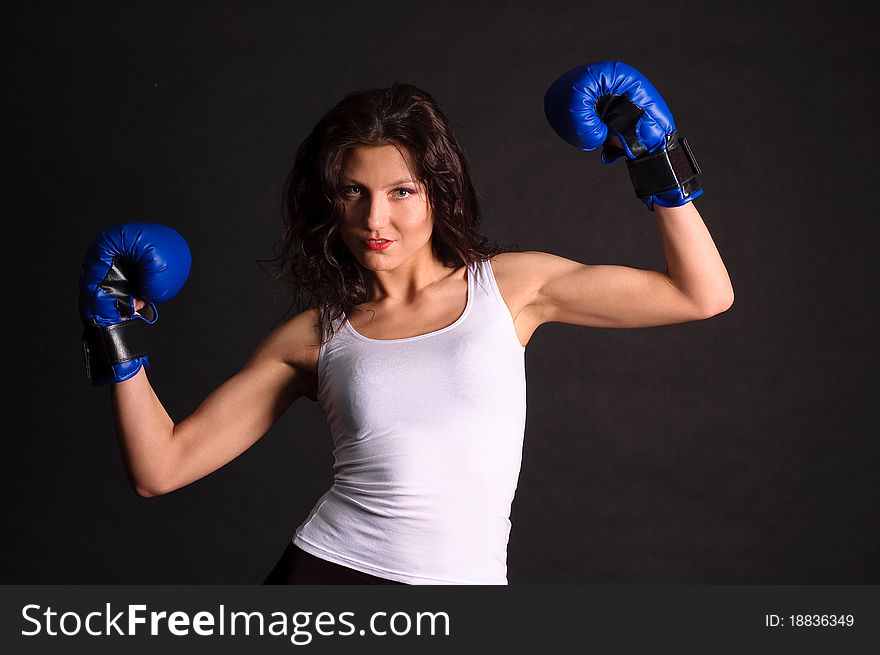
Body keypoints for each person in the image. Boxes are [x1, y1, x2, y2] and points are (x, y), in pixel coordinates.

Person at [78, 61, 734, 585]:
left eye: (400, 191)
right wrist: (112, 332)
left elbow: (700, 293)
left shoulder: (511, 286)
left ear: (436, 189)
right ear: (328, 202)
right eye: (352, 192)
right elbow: (159, 467)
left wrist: (657, 157)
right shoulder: (316, 335)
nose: (374, 219)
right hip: (330, 580)